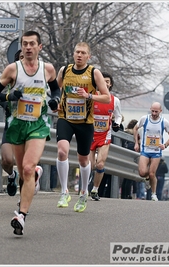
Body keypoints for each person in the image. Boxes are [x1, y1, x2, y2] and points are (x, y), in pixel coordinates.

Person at [0, 31, 60, 235]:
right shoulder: (13, 69)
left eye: (32, 44)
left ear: (40, 47)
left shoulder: (47, 69)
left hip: (38, 125)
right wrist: (10, 95)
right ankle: (35, 175)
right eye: (25, 44)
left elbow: (56, 91)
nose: (28, 47)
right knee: (23, 174)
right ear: (22, 47)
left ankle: (21, 216)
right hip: (17, 125)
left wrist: (55, 100)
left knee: (28, 168)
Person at [52, 42, 111, 212]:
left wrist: (89, 95)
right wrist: (56, 102)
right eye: (77, 52)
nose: (79, 55)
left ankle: (84, 192)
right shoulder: (65, 70)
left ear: (88, 56)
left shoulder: (94, 73)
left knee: (83, 159)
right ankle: (64, 191)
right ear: (73, 54)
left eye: (83, 53)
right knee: (62, 151)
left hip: (85, 122)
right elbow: (57, 89)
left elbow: (106, 98)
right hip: (66, 118)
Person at [88, 72, 122, 201]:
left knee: (100, 165)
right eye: (103, 80)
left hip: (104, 136)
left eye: (107, 81)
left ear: (110, 84)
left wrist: (117, 124)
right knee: (89, 166)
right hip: (90, 135)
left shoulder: (115, 100)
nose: (105, 83)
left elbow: (118, 115)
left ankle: (95, 190)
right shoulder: (92, 96)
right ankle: (84, 188)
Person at [133, 102, 169, 201]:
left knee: (152, 173)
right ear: (150, 109)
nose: (154, 113)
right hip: (145, 149)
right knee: (142, 173)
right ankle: (147, 178)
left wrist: (165, 145)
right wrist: (136, 143)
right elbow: (135, 128)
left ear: (160, 111)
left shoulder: (164, 122)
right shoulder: (145, 119)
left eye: (156, 111)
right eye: (152, 111)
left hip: (156, 151)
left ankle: (153, 194)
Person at [0, 49, 24, 197]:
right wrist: (8, 101)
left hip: (30, 126)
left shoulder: (38, 75)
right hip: (12, 124)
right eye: (20, 58)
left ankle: (23, 203)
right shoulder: (11, 75)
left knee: (24, 166)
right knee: (7, 160)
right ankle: (11, 175)